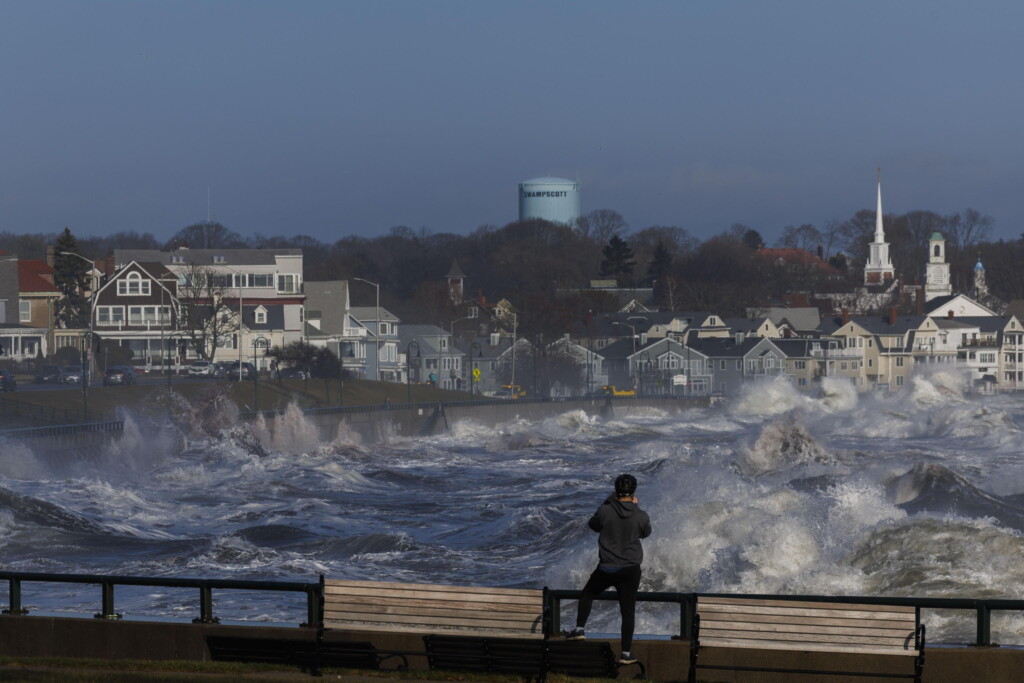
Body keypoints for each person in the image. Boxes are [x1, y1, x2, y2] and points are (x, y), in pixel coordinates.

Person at [567, 473, 652, 665]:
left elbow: (593, 525)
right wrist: (635, 506)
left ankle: (580, 629)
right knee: (628, 611)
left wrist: (608, 501)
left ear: (615, 491)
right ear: (634, 492)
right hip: (630, 569)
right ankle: (626, 653)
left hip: (607, 567)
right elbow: (645, 533)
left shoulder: (605, 511)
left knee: (588, 593)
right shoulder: (641, 515)